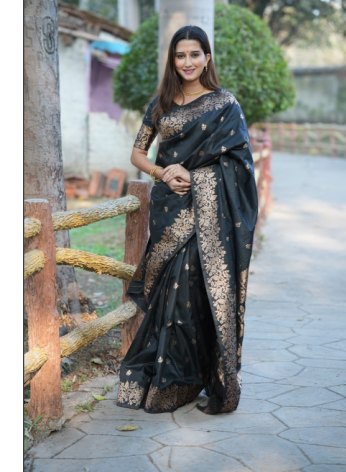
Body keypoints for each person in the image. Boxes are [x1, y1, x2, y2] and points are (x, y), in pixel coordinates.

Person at [115, 25, 258, 415]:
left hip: (208, 216)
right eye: (181, 55)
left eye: (195, 54)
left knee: (189, 295)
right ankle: (164, 376)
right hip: (169, 210)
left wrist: (195, 176)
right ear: (173, 60)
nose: (188, 62)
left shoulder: (225, 104)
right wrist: (163, 172)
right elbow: (137, 153)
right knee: (167, 296)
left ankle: (180, 381)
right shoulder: (161, 103)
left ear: (207, 58)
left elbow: (239, 166)